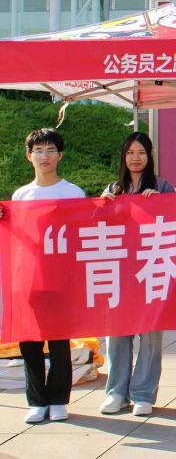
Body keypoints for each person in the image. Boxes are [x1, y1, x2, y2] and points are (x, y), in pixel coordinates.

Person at [8, 129, 85, 424]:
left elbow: (81, 234)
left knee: (59, 341)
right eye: (38, 150)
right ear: (29, 156)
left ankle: (58, 399)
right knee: (30, 340)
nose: (44, 156)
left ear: (60, 155)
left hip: (61, 279)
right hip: (28, 278)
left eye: (50, 150)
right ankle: (36, 400)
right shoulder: (21, 195)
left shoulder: (72, 193)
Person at [99, 132, 175, 417]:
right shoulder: (114, 188)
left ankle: (143, 393)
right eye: (130, 152)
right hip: (120, 272)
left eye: (141, 152)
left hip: (152, 270)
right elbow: (98, 228)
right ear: (123, 156)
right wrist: (102, 206)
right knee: (117, 334)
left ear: (150, 155)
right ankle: (116, 392)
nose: (135, 158)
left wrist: (161, 203)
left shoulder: (162, 186)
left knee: (150, 336)